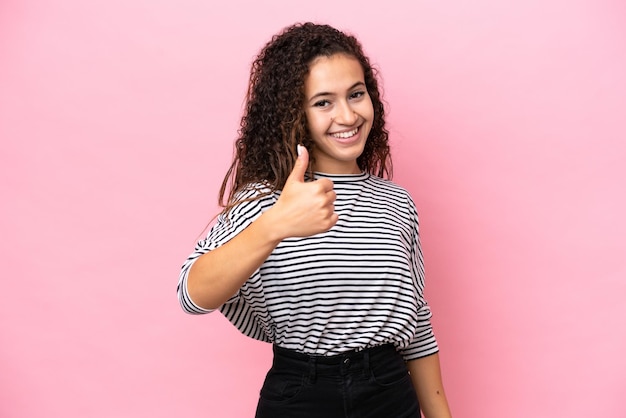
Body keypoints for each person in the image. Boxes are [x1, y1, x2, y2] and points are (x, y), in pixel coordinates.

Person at [177, 22, 452, 418]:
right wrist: (276, 225)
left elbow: (417, 323)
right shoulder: (266, 201)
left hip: (389, 392)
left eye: (356, 94)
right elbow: (191, 295)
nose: (348, 115)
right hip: (299, 395)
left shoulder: (398, 204)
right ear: (296, 113)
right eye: (323, 102)